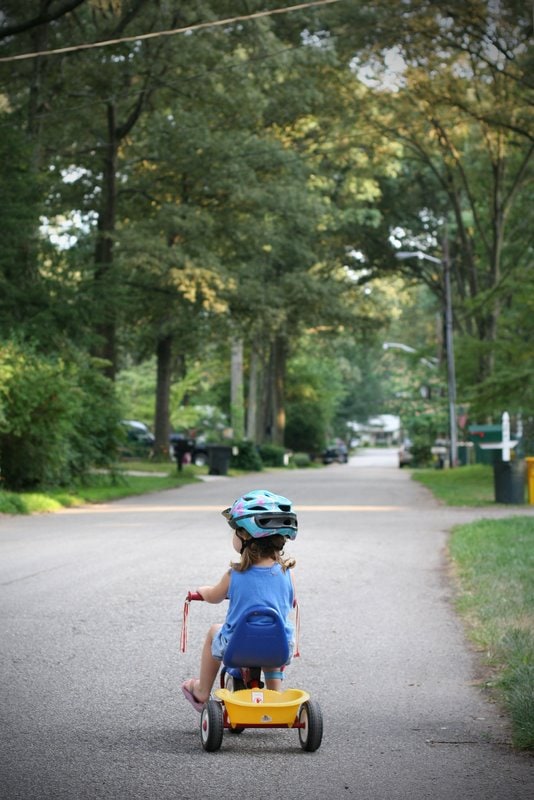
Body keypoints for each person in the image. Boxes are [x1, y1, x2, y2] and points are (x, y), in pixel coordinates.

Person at [182, 489, 297, 712]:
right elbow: (290, 600)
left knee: (215, 630)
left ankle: (202, 690)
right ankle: (275, 695)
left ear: (244, 536)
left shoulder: (234, 575)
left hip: (238, 647)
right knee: (276, 636)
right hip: (280, 648)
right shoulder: (288, 575)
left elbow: (214, 597)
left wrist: (202, 591)